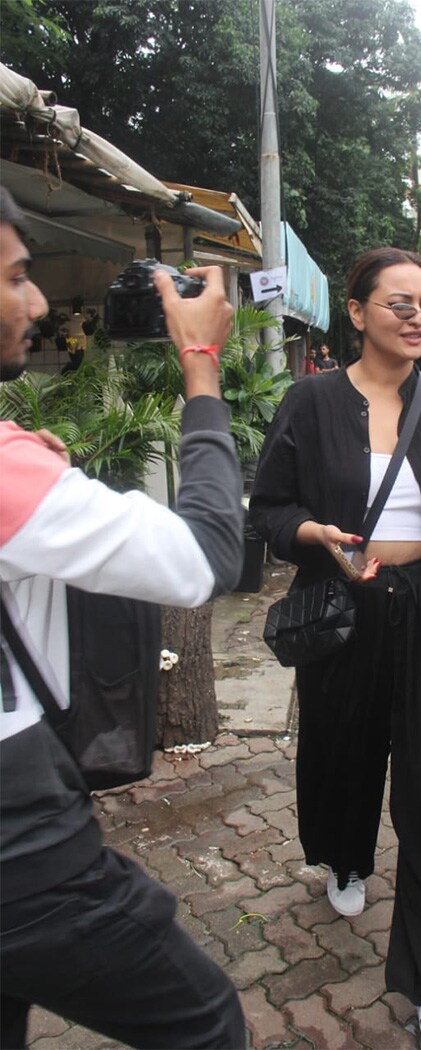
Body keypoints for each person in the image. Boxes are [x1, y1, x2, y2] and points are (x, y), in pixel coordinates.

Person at [0, 186, 247, 1050]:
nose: (37, 304)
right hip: (23, 855)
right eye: (17, 277)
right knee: (207, 1022)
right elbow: (209, 556)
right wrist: (202, 360)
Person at [249, 247, 421, 1049]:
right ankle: (344, 855)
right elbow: (270, 508)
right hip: (344, 605)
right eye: (400, 303)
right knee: (342, 754)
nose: (417, 318)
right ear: (357, 313)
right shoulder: (311, 400)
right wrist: (312, 535)